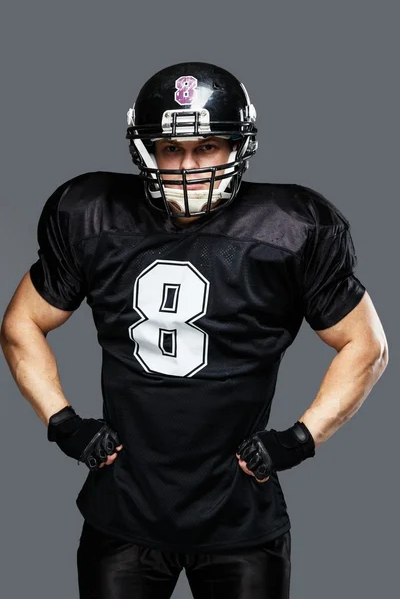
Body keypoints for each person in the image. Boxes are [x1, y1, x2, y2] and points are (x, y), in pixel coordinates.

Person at [0, 61, 388, 599]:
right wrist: (64, 423)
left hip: (240, 518)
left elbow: (365, 344)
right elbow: (22, 324)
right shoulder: (92, 214)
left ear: (237, 147)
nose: (189, 165)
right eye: (171, 148)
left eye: (207, 147)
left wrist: (299, 439)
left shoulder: (291, 227)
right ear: (146, 150)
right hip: (124, 511)